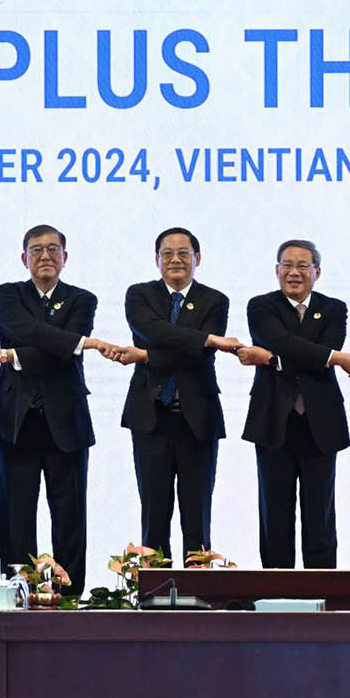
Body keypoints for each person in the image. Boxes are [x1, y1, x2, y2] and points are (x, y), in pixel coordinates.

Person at [0, 225, 118, 594]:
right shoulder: (8, 295)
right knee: (15, 513)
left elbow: (54, 352)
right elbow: (25, 330)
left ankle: (69, 595)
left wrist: (10, 354)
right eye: (36, 250)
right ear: (24, 258)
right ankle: (16, 591)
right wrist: (78, 343)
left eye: (53, 249)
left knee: (70, 514)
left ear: (65, 258)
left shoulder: (82, 299)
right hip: (16, 418)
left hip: (65, 418)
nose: (44, 256)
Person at [238, 240, 350, 569]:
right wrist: (335, 358)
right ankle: (275, 594)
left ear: (317, 271)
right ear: (276, 270)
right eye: (287, 265)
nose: (294, 272)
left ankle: (322, 592)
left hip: (320, 422)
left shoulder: (334, 308)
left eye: (303, 266)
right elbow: (285, 343)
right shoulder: (261, 306)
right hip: (273, 420)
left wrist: (272, 360)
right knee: (274, 512)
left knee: (321, 514)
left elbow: (310, 358)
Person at [108, 227, 235, 560]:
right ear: (156, 259)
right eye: (168, 253)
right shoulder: (140, 295)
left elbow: (195, 356)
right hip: (150, 417)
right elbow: (149, 330)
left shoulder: (215, 300)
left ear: (197, 258)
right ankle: (154, 595)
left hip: (197, 418)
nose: (175, 260)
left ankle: (198, 593)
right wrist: (205, 338)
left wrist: (149, 355)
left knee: (197, 515)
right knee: (153, 514)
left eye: (183, 253)